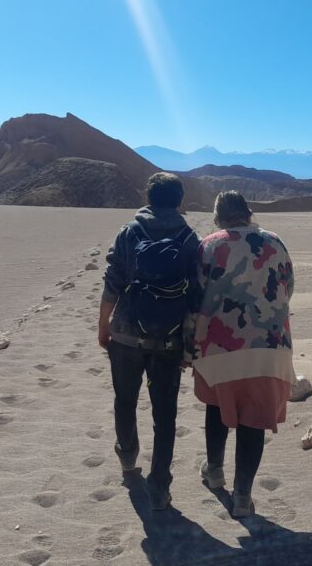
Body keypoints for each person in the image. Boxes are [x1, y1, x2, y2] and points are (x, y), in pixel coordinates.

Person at [183, 190, 295, 518]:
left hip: (217, 347)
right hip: (268, 347)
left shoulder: (209, 245)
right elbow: (288, 287)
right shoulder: (275, 242)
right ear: (248, 213)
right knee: (254, 419)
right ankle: (243, 497)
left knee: (218, 406)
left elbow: (195, 296)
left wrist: (189, 345)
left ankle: (214, 470)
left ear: (218, 217)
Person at [99, 172, 199, 510]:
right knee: (165, 415)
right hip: (168, 341)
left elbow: (113, 280)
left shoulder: (129, 232)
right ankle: (159, 485)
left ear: (148, 197)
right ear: (179, 200)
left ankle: (128, 460)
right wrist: (189, 344)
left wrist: (104, 325)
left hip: (126, 335)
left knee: (125, 401)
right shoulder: (189, 238)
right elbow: (195, 296)